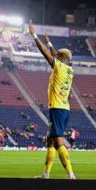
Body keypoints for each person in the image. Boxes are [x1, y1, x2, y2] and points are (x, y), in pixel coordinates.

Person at [29, 20, 76, 179]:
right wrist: (49, 41)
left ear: (61, 57)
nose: (56, 53)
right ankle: (46, 174)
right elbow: (54, 53)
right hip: (63, 107)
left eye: (58, 54)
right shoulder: (68, 70)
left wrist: (34, 35)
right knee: (49, 141)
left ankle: (71, 175)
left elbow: (46, 54)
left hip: (56, 107)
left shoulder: (59, 66)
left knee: (57, 142)